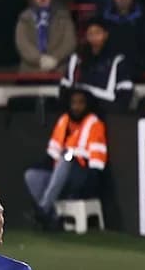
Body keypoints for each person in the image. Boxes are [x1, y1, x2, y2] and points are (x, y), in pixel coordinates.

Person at [24, 89, 107, 230]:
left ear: (87, 105)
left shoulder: (94, 124)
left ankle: (44, 209)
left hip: (82, 176)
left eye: (81, 103)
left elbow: (97, 164)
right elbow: (52, 155)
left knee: (66, 158)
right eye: (73, 103)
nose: (76, 107)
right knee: (31, 175)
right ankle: (52, 218)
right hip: (60, 176)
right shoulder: (64, 120)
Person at [59, 18, 136, 109]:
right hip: (79, 108)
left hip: (106, 108)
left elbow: (125, 92)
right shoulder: (76, 58)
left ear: (106, 35)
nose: (94, 37)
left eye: (97, 33)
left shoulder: (118, 60)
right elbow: (65, 87)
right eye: (90, 34)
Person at [14, 0, 75, 73]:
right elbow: (22, 43)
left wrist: (55, 58)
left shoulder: (64, 17)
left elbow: (69, 42)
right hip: (30, 71)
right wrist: (39, 59)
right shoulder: (24, 18)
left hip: (58, 69)